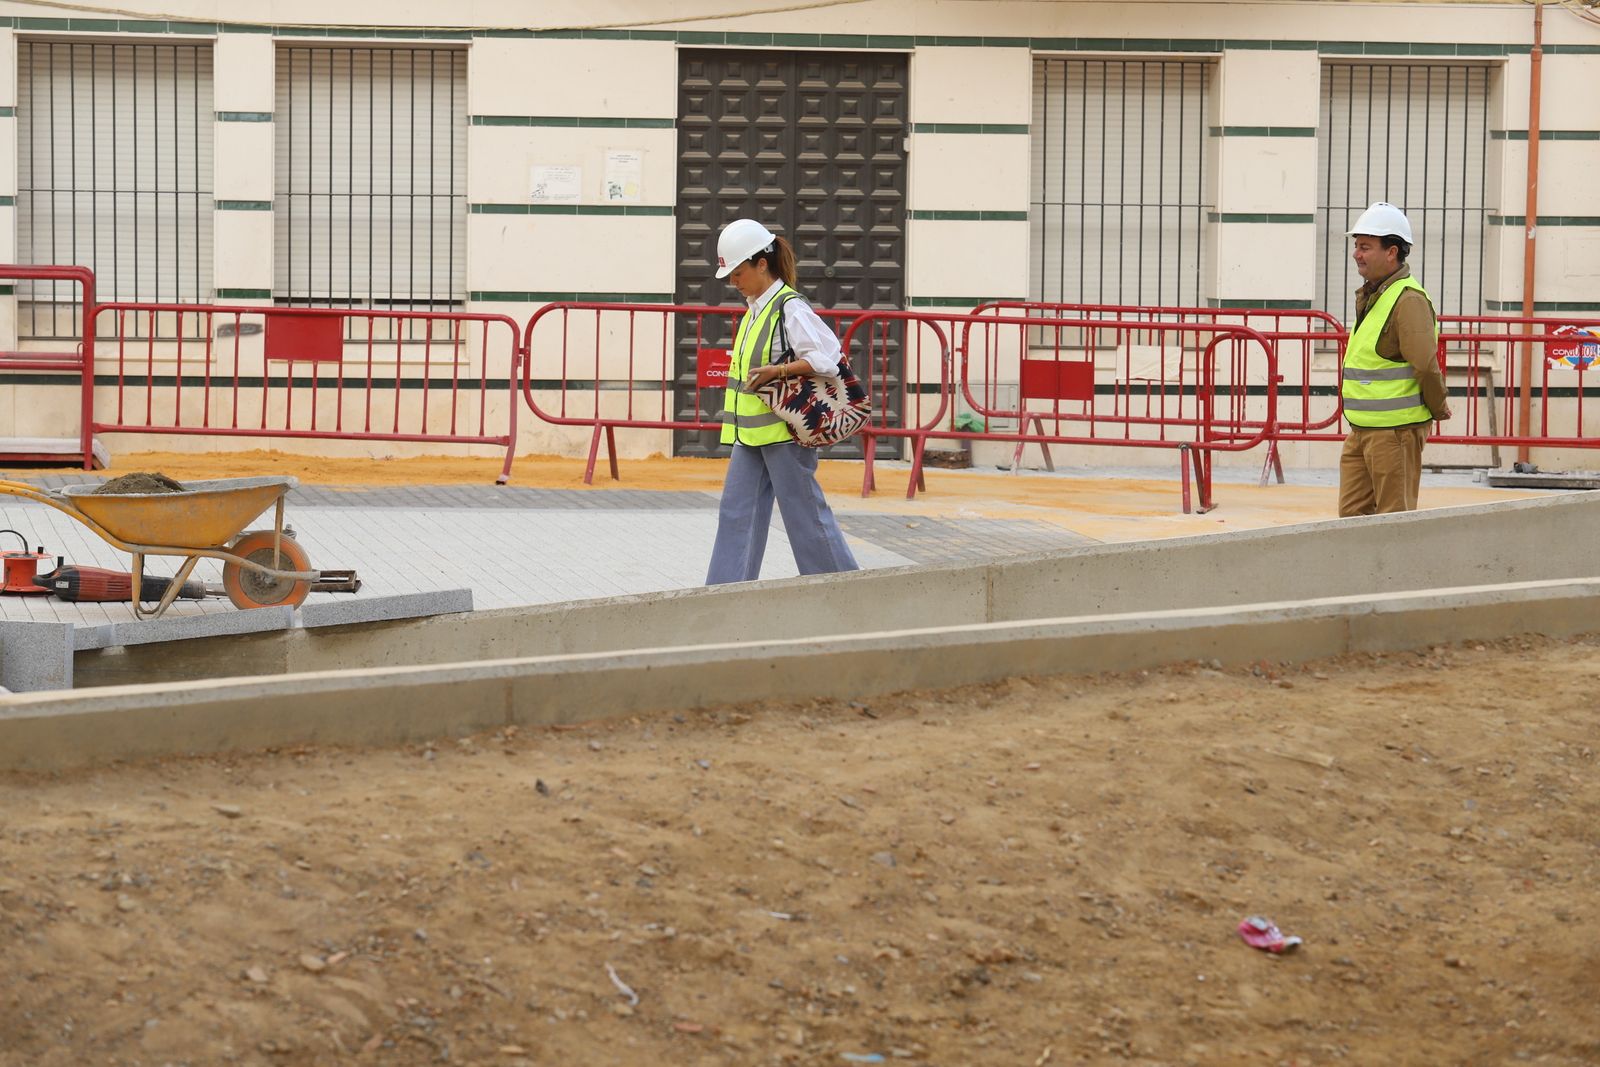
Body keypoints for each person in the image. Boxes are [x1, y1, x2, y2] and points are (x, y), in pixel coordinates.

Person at [704, 219, 860, 585]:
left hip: (785, 435)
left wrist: (779, 371)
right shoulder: (755, 308)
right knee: (735, 514)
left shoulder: (789, 307)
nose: (733, 282)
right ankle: (726, 594)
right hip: (751, 436)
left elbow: (828, 357)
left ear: (762, 263)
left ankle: (841, 587)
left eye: (738, 273)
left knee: (803, 514)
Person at [1338, 202, 1452, 517]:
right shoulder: (1376, 295)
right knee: (1351, 519)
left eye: (1365, 247)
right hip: (1363, 430)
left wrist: (1437, 407)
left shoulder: (1408, 299)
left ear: (1392, 252)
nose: (1356, 254)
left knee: (1394, 522)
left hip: (1395, 434)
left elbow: (1426, 366)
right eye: (1356, 246)